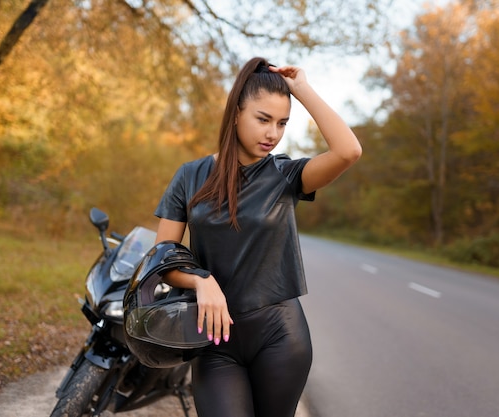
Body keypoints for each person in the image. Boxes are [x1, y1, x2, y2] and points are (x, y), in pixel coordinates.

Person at [153, 57, 362, 417]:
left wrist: (303, 89)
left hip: (280, 336)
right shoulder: (189, 176)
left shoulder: (286, 175)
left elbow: (348, 151)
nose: (273, 133)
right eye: (263, 119)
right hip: (214, 338)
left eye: (282, 123)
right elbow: (163, 257)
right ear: (236, 113)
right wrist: (200, 280)